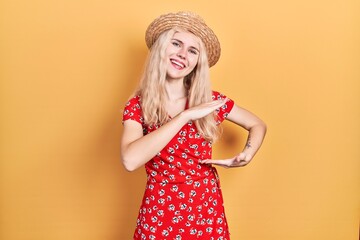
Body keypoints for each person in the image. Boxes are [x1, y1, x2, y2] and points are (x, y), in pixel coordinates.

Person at [121, 11, 266, 240]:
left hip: (205, 208)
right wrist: (185, 116)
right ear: (161, 48)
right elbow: (130, 160)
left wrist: (247, 153)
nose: (182, 54)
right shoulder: (138, 105)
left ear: (198, 62)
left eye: (192, 50)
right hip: (159, 208)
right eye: (176, 43)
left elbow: (257, 124)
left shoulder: (210, 102)